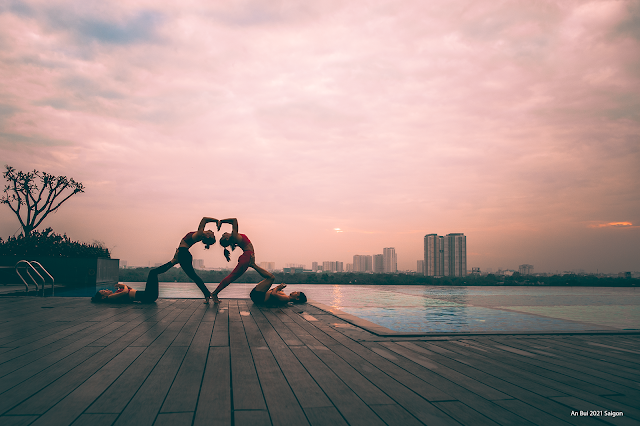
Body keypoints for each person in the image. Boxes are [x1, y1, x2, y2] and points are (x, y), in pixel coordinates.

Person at [210, 218, 267, 303]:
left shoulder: (234, 238)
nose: (224, 234)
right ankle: (214, 293)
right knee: (231, 277)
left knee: (231, 277)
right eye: (223, 236)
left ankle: (215, 293)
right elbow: (234, 220)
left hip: (246, 257)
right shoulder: (234, 236)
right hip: (246, 257)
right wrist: (221, 222)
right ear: (227, 239)